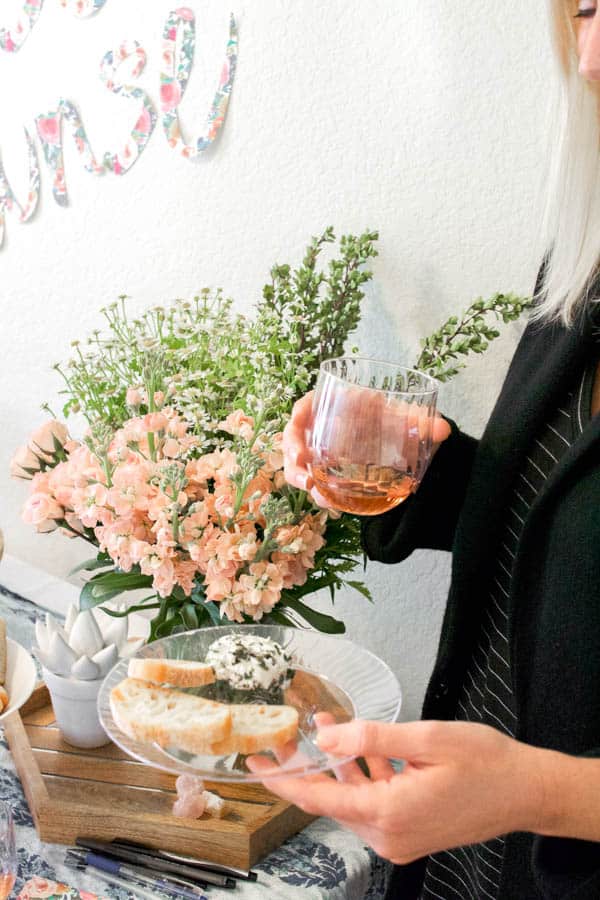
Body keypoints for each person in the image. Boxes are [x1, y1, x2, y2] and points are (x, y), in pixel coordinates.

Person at [247, 3, 600, 898]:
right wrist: (409, 464)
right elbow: (562, 530)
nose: (590, 57)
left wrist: (547, 791)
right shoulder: (587, 255)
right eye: (587, 11)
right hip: (472, 846)